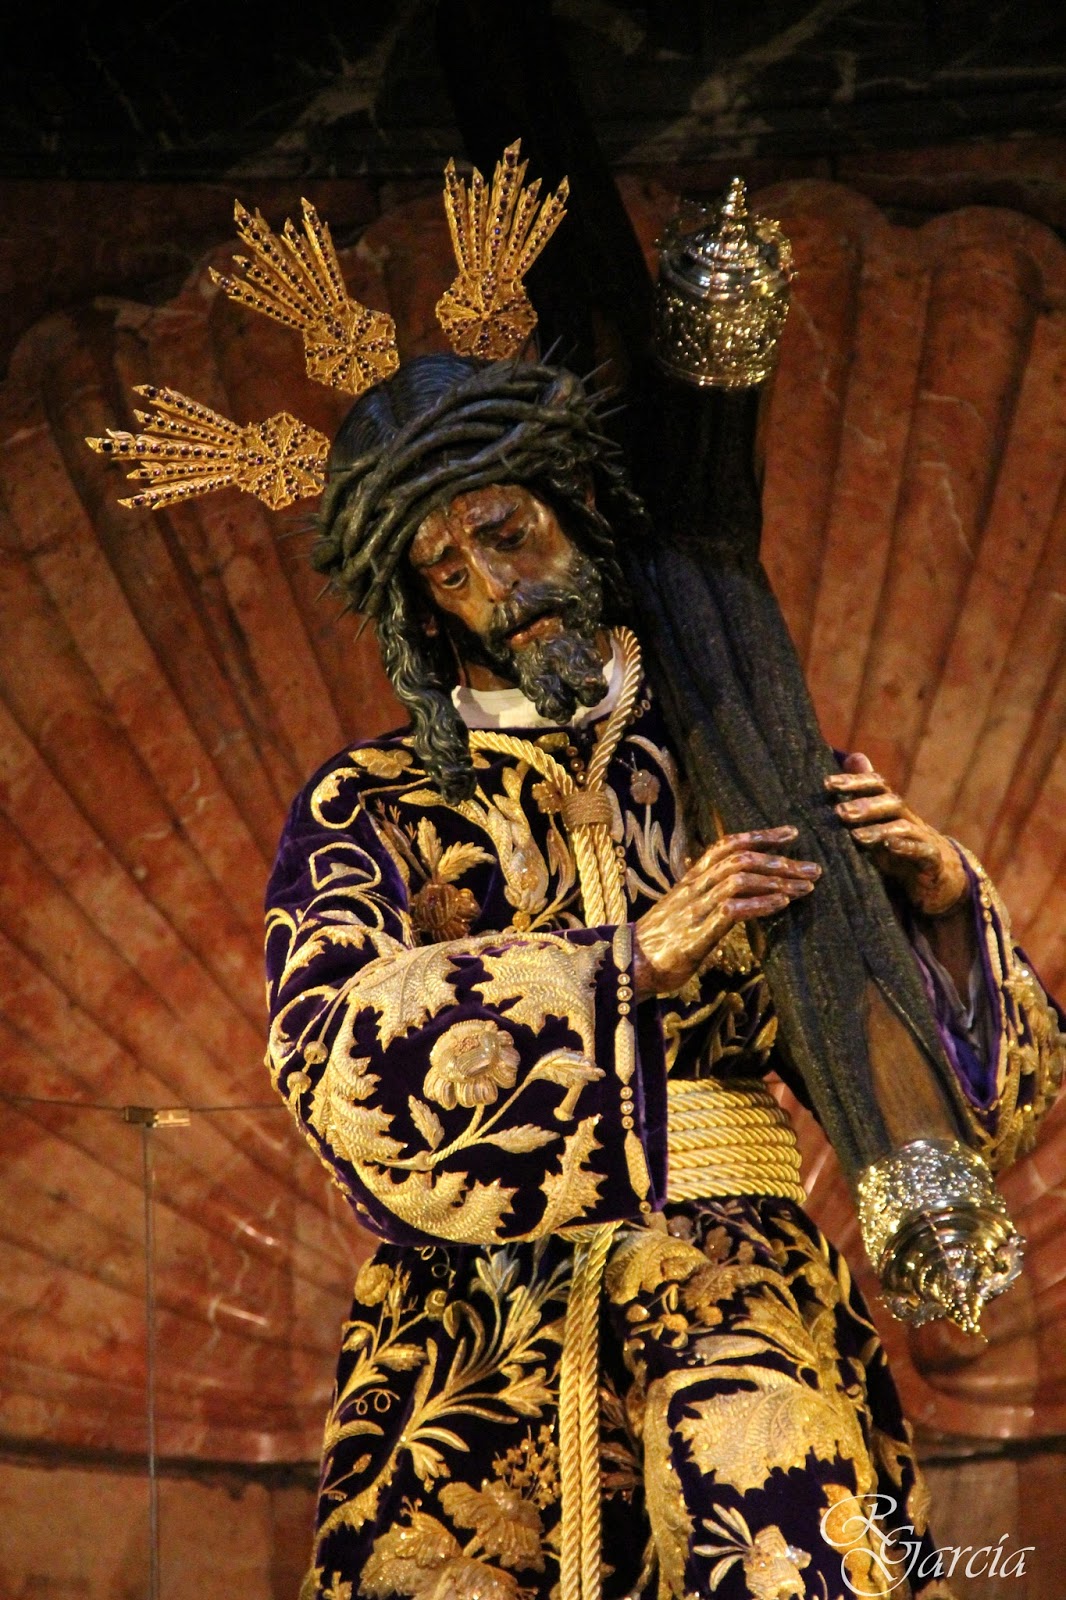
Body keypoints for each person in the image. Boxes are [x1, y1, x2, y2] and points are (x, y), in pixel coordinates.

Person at [264, 352, 1064, 1600]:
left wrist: (938, 910)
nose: (497, 588)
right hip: (477, 1327)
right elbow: (332, 1055)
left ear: (572, 506)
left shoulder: (735, 752)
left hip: (736, 1283)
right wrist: (623, 963)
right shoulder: (373, 805)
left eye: (507, 532)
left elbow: (939, 1112)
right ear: (419, 611)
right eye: (450, 572)